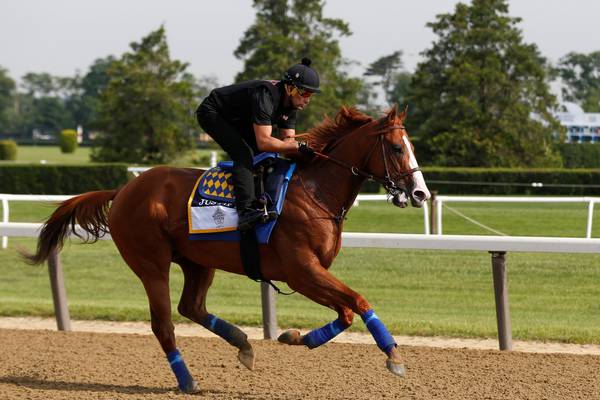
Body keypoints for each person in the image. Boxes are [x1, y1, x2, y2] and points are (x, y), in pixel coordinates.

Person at [196, 57, 319, 230]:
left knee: (267, 157)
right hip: (213, 112)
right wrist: (296, 146)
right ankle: (245, 211)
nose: (307, 100)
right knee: (244, 154)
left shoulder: (292, 106)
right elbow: (264, 142)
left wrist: (307, 151)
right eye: (305, 93)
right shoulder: (266, 95)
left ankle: (261, 202)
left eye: (311, 95)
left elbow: (287, 142)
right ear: (290, 88)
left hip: (238, 118)